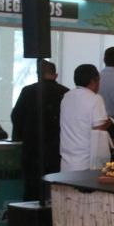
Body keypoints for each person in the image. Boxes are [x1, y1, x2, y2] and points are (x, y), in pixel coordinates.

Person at [10, 59, 69, 200]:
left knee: (32, 191)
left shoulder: (28, 91)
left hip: (32, 151)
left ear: (38, 74)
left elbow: (16, 116)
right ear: (56, 75)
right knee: (55, 192)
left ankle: (31, 221)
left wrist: (20, 136)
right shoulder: (65, 93)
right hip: (57, 151)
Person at [59, 64, 112, 172]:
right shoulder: (95, 99)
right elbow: (99, 129)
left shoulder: (67, 96)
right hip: (87, 163)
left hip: (66, 162)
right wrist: (108, 123)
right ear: (94, 80)